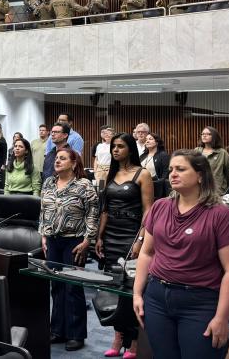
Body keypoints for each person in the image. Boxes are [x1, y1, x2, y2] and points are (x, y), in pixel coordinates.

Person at [132, 150, 229, 359]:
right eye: (171, 170)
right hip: (157, 297)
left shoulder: (220, 215)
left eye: (181, 169)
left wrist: (222, 317)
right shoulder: (160, 207)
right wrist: (137, 294)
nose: (173, 174)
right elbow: (147, 253)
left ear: (200, 175)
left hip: (200, 303)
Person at [96, 134, 154, 358]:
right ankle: (118, 336)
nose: (115, 150)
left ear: (130, 149)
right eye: (113, 146)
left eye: (120, 146)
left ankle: (134, 340)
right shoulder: (111, 173)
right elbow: (105, 209)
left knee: (132, 288)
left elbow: (148, 211)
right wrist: (99, 237)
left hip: (131, 234)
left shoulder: (142, 174)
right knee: (114, 288)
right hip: (111, 234)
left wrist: (141, 240)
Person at [39, 147, 99, 351]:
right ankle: (57, 330)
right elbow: (43, 210)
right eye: (57, 158)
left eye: (62, 158)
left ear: (73, 163)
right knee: (56, 285)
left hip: (75, 241)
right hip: (52, 240)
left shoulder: (84, 185)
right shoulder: (49, 182)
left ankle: (76, 334)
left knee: (73, 287)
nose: (57, 161)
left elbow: (93, 214)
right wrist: (43, 235)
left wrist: (88, 240)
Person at [195, 126, 229, 193]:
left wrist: (222, 187)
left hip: (216, 191)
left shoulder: (222, 153)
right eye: (203, 134)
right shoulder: (196, 151)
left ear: (214, 136)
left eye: (208, 134)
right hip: (198, 189)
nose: (204, 136)